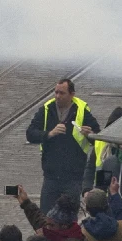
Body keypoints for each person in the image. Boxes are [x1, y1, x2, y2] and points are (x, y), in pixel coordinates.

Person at [27, 79, 101, 209]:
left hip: (73, 178)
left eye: (62, 93)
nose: (57, 96)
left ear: (72, 94)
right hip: (51, 176)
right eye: (56, 92)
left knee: (69, 220)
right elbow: (30, 134)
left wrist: (89, 135)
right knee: (47, 218)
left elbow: (98, 137)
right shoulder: (46, 109)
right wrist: (49, 134)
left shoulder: (81, 111)